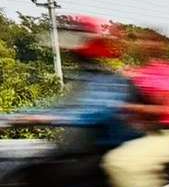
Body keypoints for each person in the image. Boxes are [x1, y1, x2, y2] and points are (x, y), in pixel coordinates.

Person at [8, 15, 141, 157]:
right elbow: (61, 106)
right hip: (82, 148)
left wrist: (45, 118)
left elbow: (93, 113)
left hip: (106, 151)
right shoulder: (83, 76)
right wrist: (19, 116)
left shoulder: (107, 79)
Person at [102, 29, 169, 187]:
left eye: (154, 41)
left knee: (121, 163)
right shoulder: (141, 73)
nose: (148, 44)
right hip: (149, 134)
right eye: (145, 40)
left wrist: (133, 108)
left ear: (164, 45)